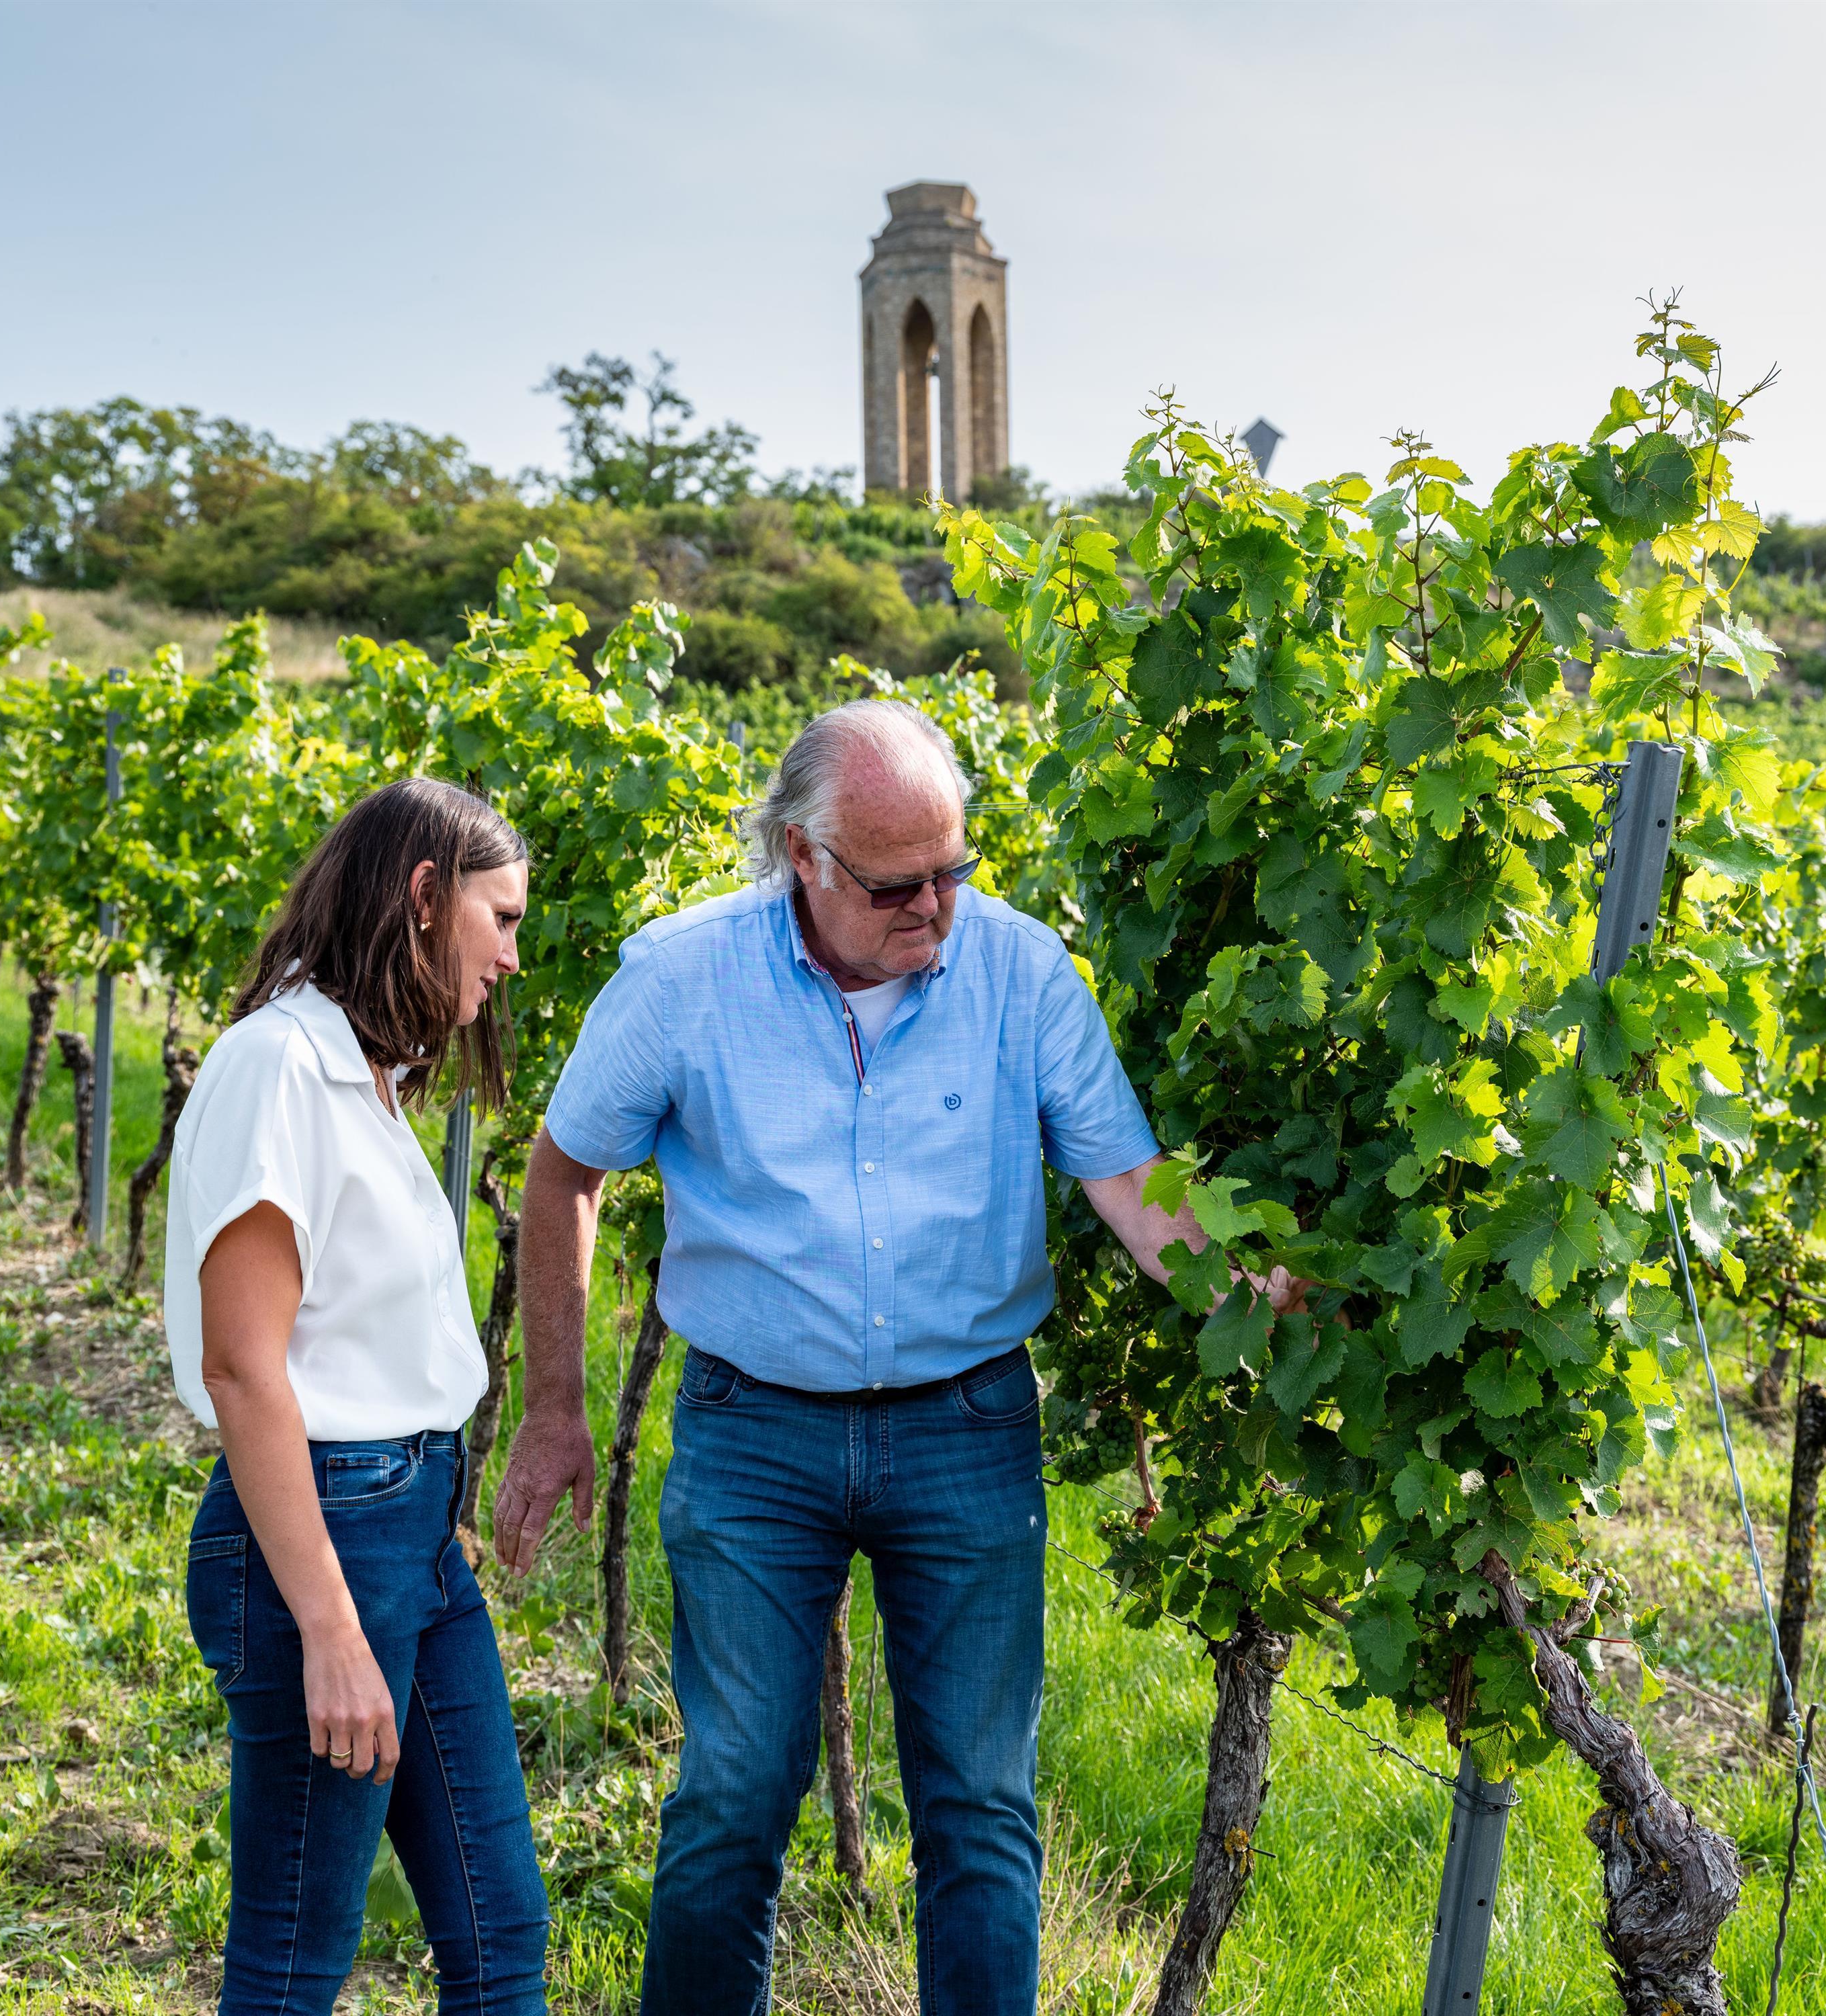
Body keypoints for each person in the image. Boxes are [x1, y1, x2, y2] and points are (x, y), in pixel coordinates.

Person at [498, 700, 1261, 2016]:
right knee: (734, 1794)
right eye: (896, 885)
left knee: (979, 1804)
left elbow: (1134, 1188)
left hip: (966, 1428)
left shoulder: (1022, 973)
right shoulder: (683, 979)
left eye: (951, 871)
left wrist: (1262, 1292)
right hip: (751, 1432)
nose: (933, 909)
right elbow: (565, 1168)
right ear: (802, 856)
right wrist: (553, 1410)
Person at [166, 777, 548, 2015]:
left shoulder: (365, 1075)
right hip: (326, 1543)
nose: (511, 956)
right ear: (425, 896)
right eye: (500, 918)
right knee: (295, 1960)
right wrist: (330, 1630)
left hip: (414, 1539)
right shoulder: (278, 1067)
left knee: (500, 1937)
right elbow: (242, 1366)